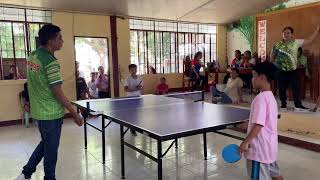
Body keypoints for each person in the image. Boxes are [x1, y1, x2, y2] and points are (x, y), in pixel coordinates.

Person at [15, 24, 83, 180]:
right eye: (60, 38)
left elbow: (34, 84)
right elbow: (57, 92)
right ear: (51, 41)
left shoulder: (33, 56)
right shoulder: (50, 63)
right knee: (51, 151)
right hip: (51, 114)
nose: (62, 41)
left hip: (40, 112)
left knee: (45, 145)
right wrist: (74, 113)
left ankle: (25, 174)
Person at [239, 62, 284, 180]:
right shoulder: (270, 96)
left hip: (258, 151)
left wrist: (246, 142)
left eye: (254, 75)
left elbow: (259, 124)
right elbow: (265, 122)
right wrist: (247, 125)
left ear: (262, 77)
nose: (252, 79)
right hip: (269, 148)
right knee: (275, 173)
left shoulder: (260, 98)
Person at [271, 25, 320, 112]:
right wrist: (277, 64)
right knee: (282, 88)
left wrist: (317, 30)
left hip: (293, 70)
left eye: (288, 33)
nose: (286, 34)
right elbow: (272, 57)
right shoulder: (277, 44)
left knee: (296, 88)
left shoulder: (296, 42)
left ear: (292, 35)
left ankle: (298, 106)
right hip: (281, 71)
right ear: (282, 34)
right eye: (284, 33)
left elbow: (310, 40)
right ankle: (283, 105)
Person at [124, 64, 143, 136]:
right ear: (129, 70)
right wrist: (133, 89)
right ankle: (132, 129)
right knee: (132, 115)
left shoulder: (139, 78)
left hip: (138, 98)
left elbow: (140, 87)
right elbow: (125, 89)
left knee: (137, 115)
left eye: (135, 69)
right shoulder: (127, 79)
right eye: (132, 70)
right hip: (130, 99)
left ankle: (136, 127)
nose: (134, 71)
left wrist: (135, 89)